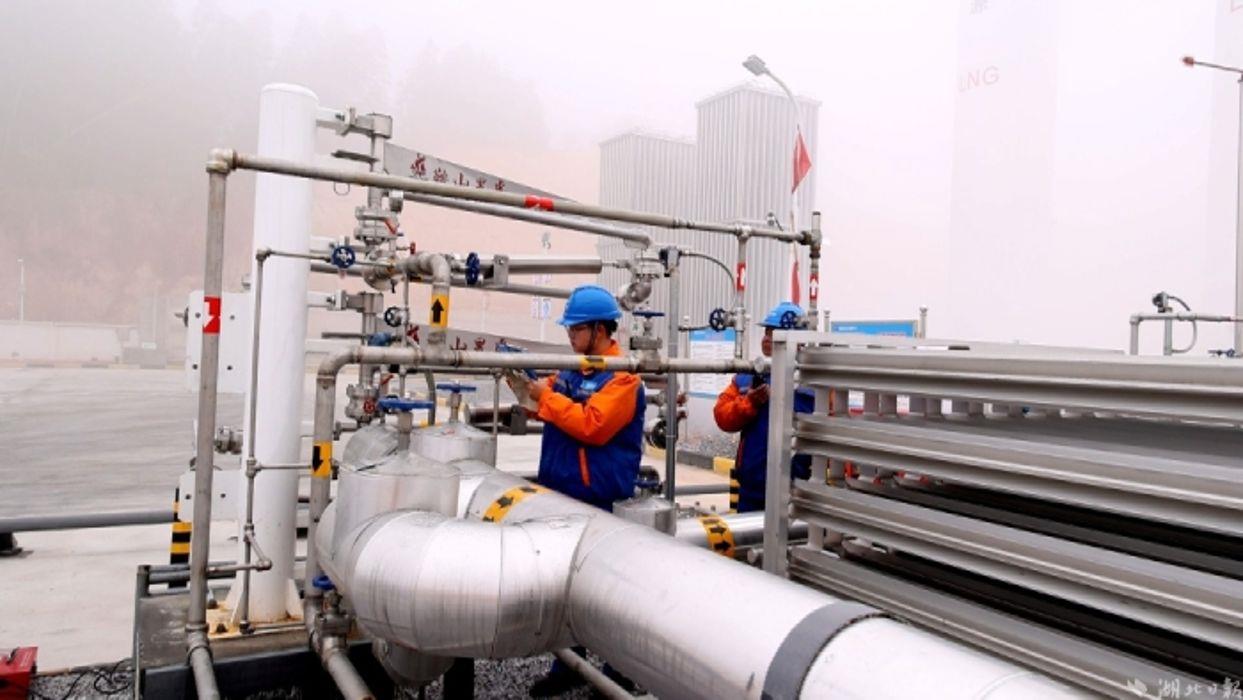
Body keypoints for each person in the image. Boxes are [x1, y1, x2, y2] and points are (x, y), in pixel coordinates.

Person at [506, 284, 645, 697]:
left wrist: (546, 397)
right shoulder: (573, 371)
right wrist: (523, 386)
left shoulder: (623, 377)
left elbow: (592, 425)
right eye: (569, 329)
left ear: (600, 330)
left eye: (576, 329)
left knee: (605, 591)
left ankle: (617, 671)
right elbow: (543, 404)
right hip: (562, 491)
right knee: (565, 589)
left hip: (598, 498)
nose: (569, 336)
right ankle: (568, 664)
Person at [713, 301, 815, 512]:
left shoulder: (815, 383)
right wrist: (749, 403)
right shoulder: (747, 377)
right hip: (752, 489)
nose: (766, 338)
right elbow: (722, 416)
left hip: (798, 492)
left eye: (773, 332)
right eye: (766, 332)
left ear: (796, 338)